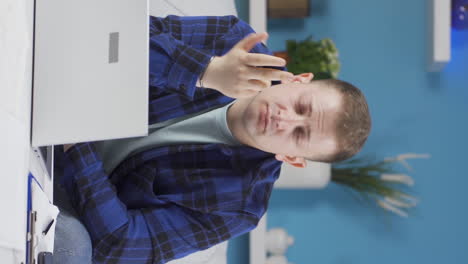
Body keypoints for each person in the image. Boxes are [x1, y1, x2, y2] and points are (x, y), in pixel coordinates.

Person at [53, 15, 371, 264]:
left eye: (300, 134)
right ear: (297, 79)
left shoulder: (241, 207)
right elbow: (117, 32)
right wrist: (205, 71)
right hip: (66, 79)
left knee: (73, 247)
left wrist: (76, 136)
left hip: (66, 184)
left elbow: (121, 247)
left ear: (292, 159)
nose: (284, 119)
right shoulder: (235, 41)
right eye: (301, 105)